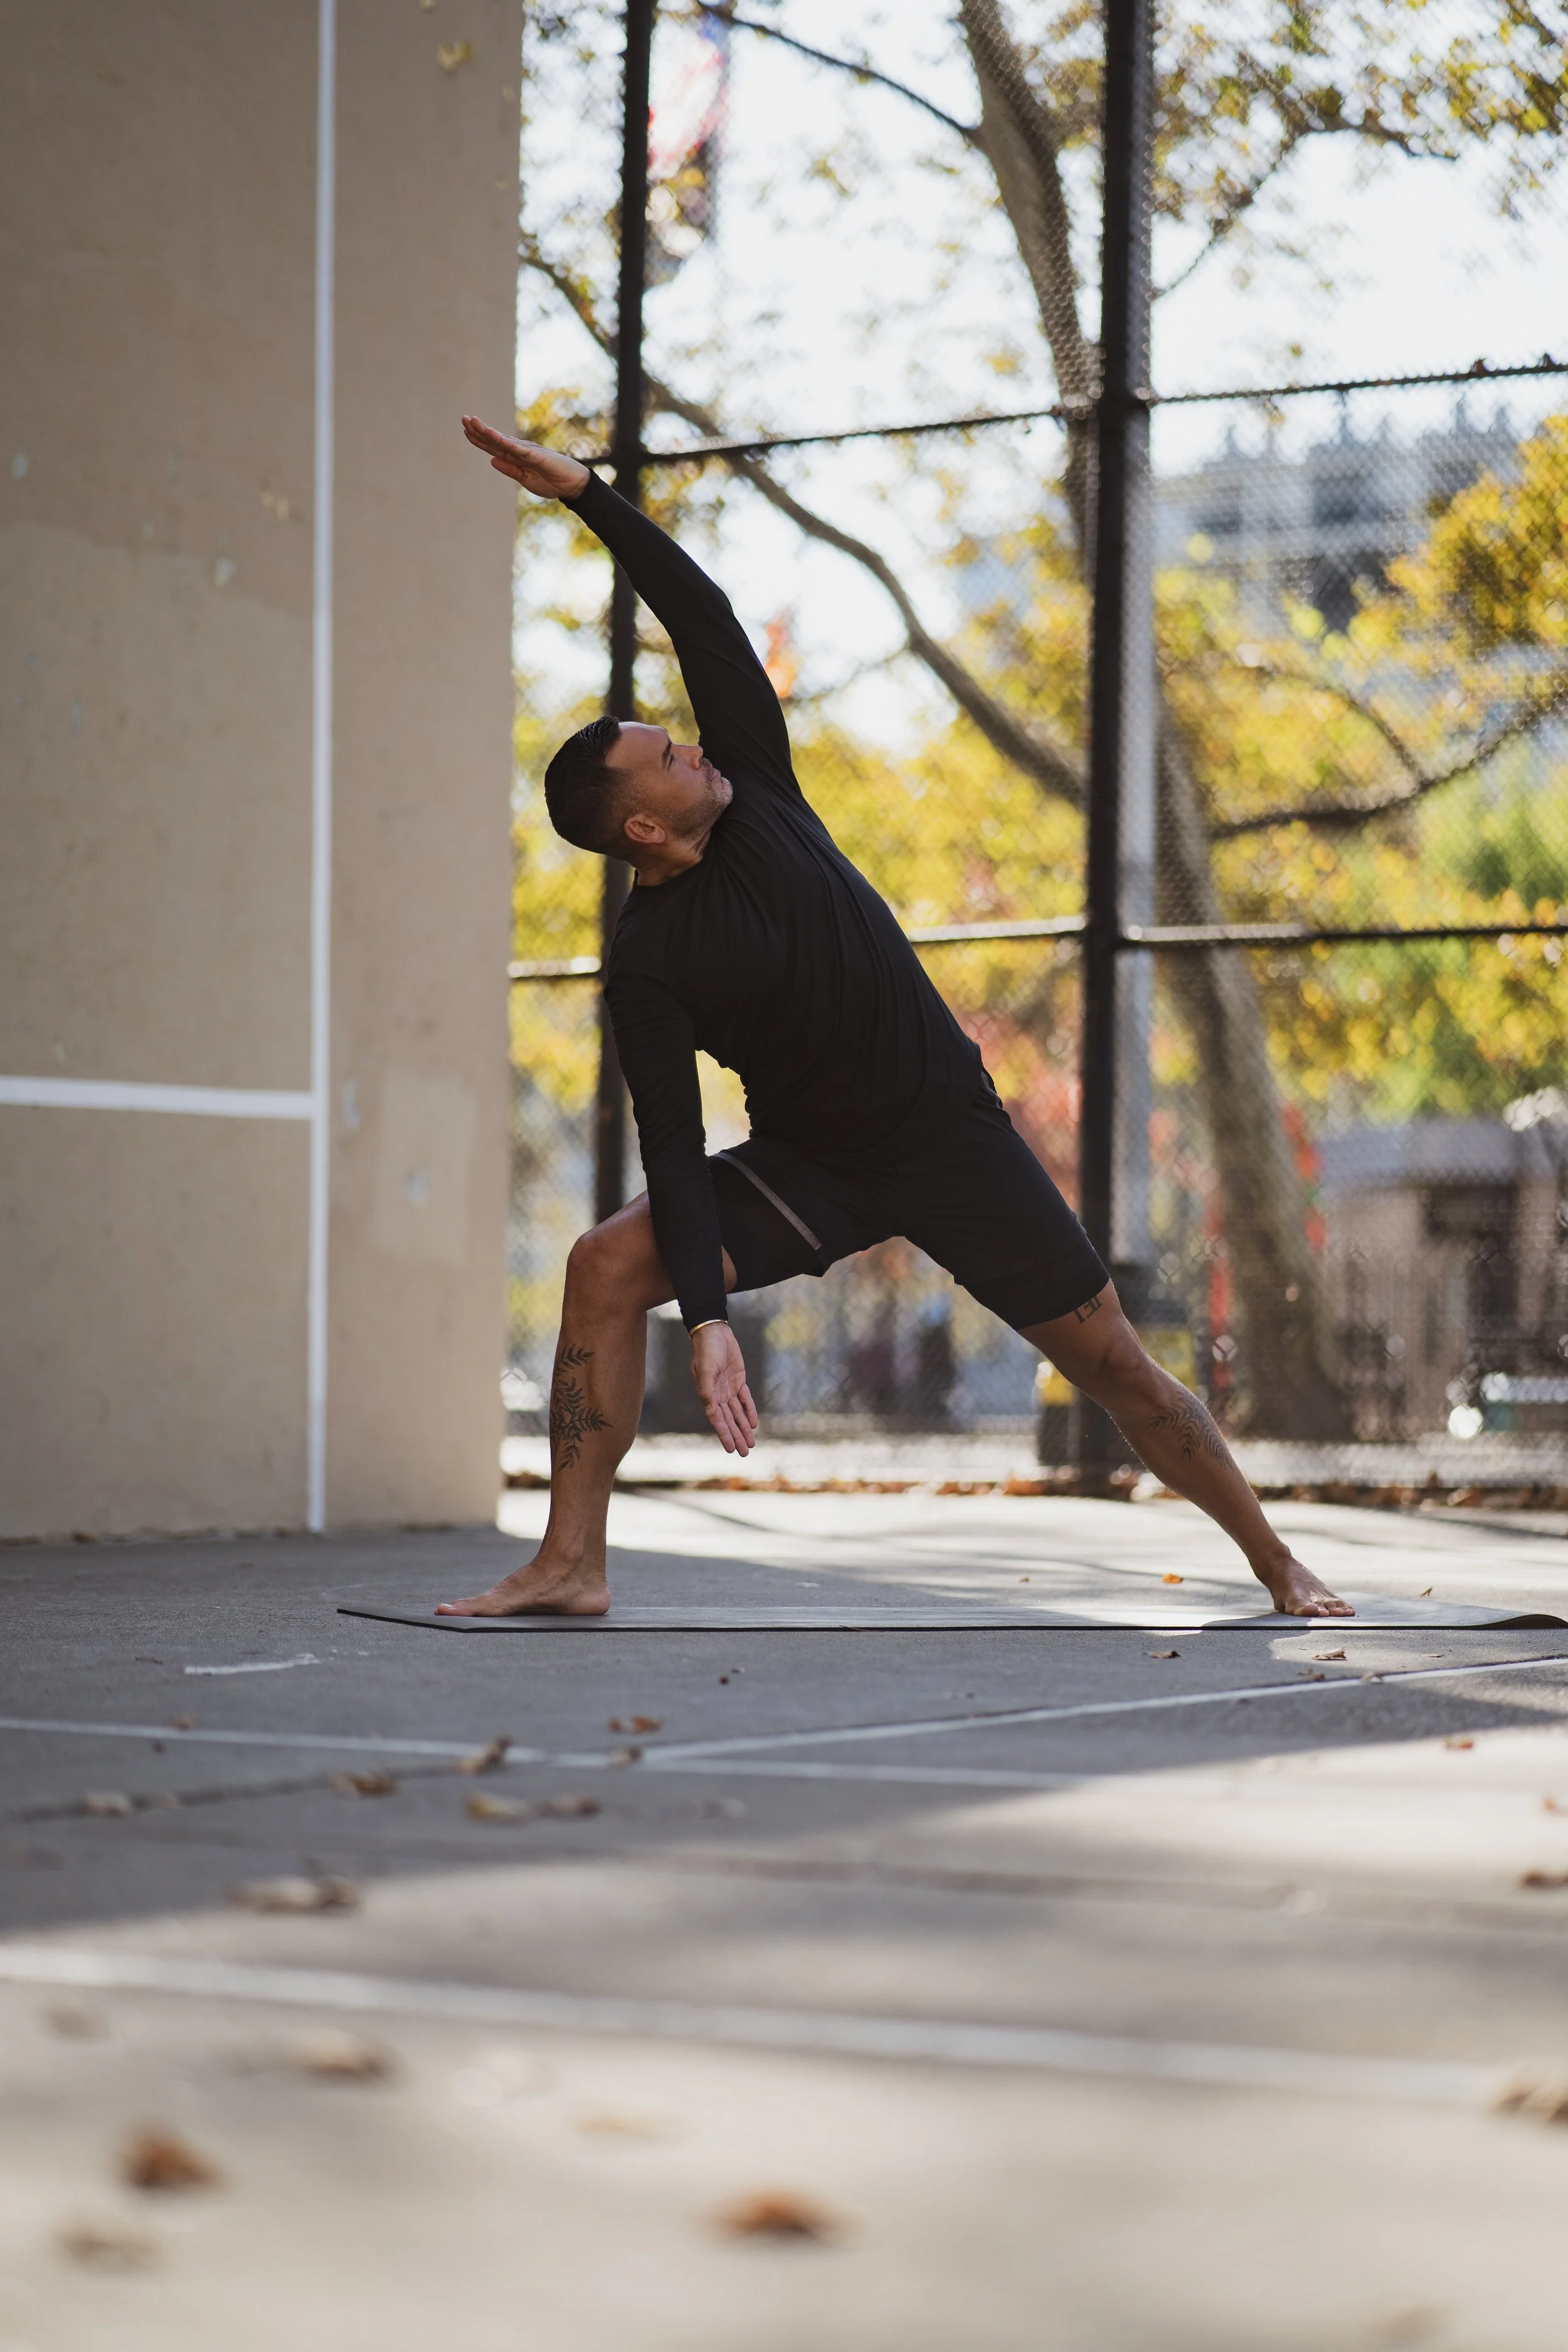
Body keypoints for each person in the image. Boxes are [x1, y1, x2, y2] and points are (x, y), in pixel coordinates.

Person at [440, 417, 1352, 1622]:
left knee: (1117, 1366)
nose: (693, 742)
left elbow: (702, 614)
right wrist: (708, 1325)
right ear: (642, 829)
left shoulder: (753, 785)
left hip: (950, 1137)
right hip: (816, 1167)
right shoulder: (650, 962)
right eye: (664, 755)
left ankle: (1280, 1565)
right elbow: (671, 1136)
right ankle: (572, 1561)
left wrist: (592, 498)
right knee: (603, 1264)